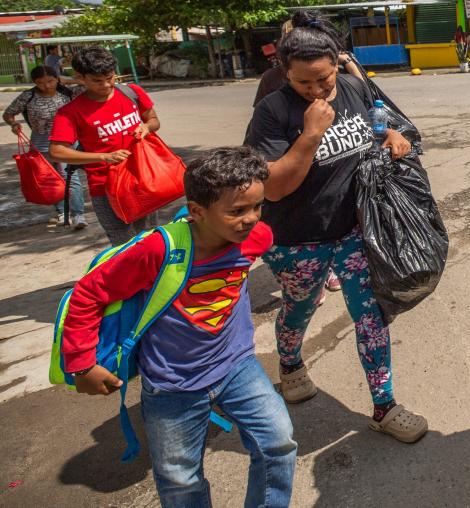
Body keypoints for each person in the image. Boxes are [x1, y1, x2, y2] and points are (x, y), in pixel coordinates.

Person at [60, 146, 297, 507]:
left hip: (237, 367)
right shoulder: (158, 250)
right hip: (173, 384)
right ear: (197, 211)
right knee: (180, 479)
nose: (251, 220)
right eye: (237, 211)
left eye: (257, 207)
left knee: (278, 443)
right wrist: (81, 363)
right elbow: (88, 293)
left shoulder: (256, 238)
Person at [244, 14, 425, 443]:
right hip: (298, 240)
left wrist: (391, 135)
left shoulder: (353, 86)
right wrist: (309, 135)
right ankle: (289, 363)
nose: (318, 89)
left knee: (371, 315)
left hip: (354, 230)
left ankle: (385, 406)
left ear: (335, 63)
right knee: (299, 307)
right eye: (305, 82)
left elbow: (374, 125)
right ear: (285, 72)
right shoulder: (272, 112)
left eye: (324, 79)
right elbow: (273, 188)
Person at [49, 47, 163, 246]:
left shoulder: (131, 92)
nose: (106, 85)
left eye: (110, 78)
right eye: (97, 81)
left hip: (142, 179)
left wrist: (146, 127)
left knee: (151, 240)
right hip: (106, 187)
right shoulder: (70, 112)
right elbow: (57, 151)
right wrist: (103, 157)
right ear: (80, 77)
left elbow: (153, 120)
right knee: (123, 245)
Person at [4, 66, 87, 228]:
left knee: (70, 177)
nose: (47, 86)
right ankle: (63, 212)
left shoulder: (69, 92)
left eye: (50, 81)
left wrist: (69, 80)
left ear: (57, 79)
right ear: (34, 83)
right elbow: (8, 113)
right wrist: (13, 124)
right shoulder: (28, 96)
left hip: (67, 141)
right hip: (41, 144)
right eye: (40, 83)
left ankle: (78, 215)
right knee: (50, 179)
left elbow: (87, 84)